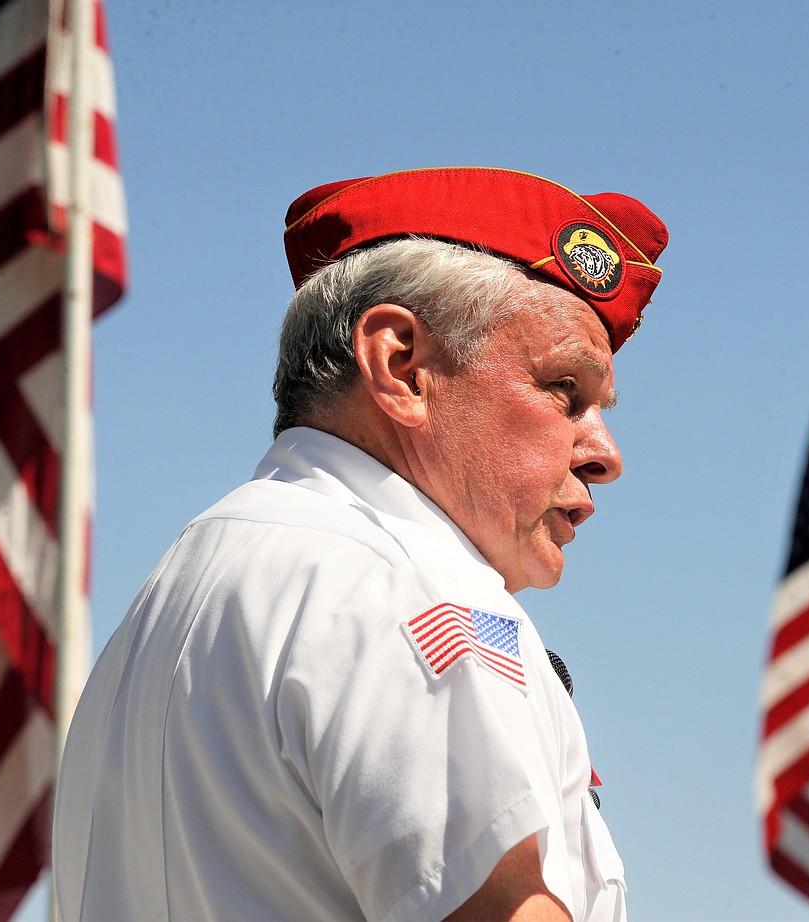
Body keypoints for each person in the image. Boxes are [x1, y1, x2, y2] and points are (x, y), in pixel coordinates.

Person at [52, 167, 669, 921]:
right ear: (401, 366)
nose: (605, 453)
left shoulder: (163, 607)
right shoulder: (410, 585)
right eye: (564, 390)